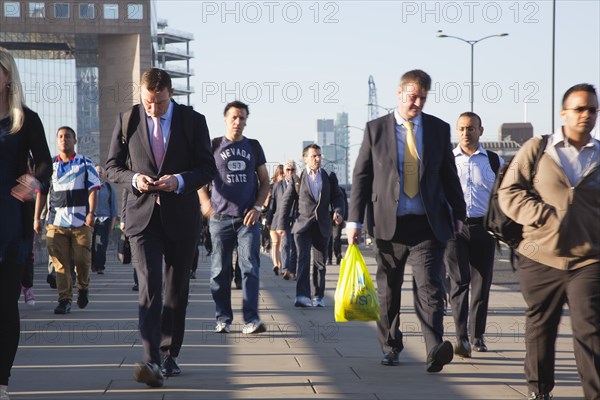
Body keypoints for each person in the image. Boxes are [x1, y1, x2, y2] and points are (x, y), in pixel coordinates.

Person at [346, 69, 466, 373]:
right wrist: (354, 221)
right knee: (389, 290)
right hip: (389, 225)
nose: (417, 102)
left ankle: (433, 349)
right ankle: (390, 344)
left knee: (431, 287)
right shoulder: (376, 130)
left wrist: (459, 213)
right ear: (399, 93)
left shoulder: (438, 129)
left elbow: (449, 176)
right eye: (413, 96)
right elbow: (361, 176)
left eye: (423, 97)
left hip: (427, 224)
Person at [105, 68, 216, 387]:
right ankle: (151, 359)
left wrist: (179, 180)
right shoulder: (128, 119)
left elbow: (207, 167)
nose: (153, 109)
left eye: (160, 103)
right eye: (148, 102)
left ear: (171, 94)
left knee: (175, 291)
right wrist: (134, 179)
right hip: (142, 219)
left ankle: (169, 353)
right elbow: (112, 167)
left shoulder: (193, 121)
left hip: (181, 217)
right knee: (149, 287)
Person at [498, 83, 600, 400]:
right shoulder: (538, 148)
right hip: (540, 256)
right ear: (563, 113)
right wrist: (542, 214)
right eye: (580, 108)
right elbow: (509, 192)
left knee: (590, 328)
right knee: (541, 327)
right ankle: (539, 391)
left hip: (589, 258)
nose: (586, 115)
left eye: (592, 109)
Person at [0, 47, 52, 400]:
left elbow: (45, 164)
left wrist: (32, 184)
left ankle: (1, 380)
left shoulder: (26, 119)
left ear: (7, 77)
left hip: (10, 224)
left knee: (5, 305)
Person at [198, 100, 270, 335]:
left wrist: (258, 207)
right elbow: (201, 179)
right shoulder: (214, 145)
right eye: (233, 118)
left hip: (247, 219)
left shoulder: (254, 146)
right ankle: (223, 318)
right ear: (225, 119)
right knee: (219, 271)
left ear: (246, 121)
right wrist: (205, 202)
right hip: (219, 219)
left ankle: (251, 319)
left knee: (250, 267)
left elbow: (265, 181)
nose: (238, 122)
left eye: (242, 118)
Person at [444, 112, 504, 358]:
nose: (465, 133)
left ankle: (476, 335)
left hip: (484, 228)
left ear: (480, 130)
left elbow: (506, 193)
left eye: (470, 129)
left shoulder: (494, 160)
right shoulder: (447, 159)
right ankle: (461, 337)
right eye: (461, 129)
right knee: (460, 281)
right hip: (454, 228)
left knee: (481, 283)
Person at [277, 144, 344, 308]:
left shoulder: (329, 176)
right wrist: (281, 224)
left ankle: (319, 296)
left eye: (319, 155)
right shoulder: (297, 178)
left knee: (320, 264)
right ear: (304, 158)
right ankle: (302, 296)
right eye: (314, 156)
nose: (318, 159)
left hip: (322, 225)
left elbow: (338, 197)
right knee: (303, 259)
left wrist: (338, 211)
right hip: (302, 226)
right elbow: (286, 203)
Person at [46, 126, 100, 315]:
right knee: (60, 264)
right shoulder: (50, 165)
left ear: (74, 140)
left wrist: (91, 212)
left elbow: (94, 189)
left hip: (81, 223)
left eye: (68, 136)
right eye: (60, 136)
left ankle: (83, 287)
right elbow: (41, 192)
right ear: (56, 140)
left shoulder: (85, 163)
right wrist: (37, 218)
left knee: (81, 260)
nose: (64, 139)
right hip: (56, 222)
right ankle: (64, 299)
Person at [269, 160, 298, 280]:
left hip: (296, 217)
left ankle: (293, 270)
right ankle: (286, 269)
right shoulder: (277, 186)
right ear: (284, 171)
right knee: (285, 243)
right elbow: (273, 204)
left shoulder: (299, 183)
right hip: (283, 219)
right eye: (288, 170)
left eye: (292, 170)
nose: (290, 172)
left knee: (295, 245)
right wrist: (270, 220)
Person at [91, 166, 118, 274]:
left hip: (104, 219)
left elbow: (114, 208)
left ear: (104, 174)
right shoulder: (90, 187)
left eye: (101, 172)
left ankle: (100, 266)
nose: (99, 174)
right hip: (91, 219)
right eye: (97, 172)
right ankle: (93, 264)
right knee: (90, 244)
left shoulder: (109, 188)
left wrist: (112, 224)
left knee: (101, 244)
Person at [326, 171, 347, 265]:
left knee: (336, 237)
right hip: (327, 216)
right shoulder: (325, 190)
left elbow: (344, 205)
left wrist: (344, 218)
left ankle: (338, 255)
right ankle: (329, 258)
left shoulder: (341, 190)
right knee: (330, 238)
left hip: (338, 217)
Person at [267, 164, 284, 274]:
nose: (282, 176)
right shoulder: (272, 187)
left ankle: (282, 265)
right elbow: (270, 206)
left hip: (284, 221)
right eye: (280, 174)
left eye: (283, 174)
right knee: (275, 242)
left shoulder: (289, 186)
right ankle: (276, 264)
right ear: (276, 176)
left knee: (282, 244)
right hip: (274, 219)